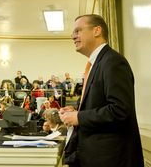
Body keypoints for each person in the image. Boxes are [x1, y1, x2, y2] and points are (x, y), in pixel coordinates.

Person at [59, 14, 144, 167]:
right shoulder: (96, 63)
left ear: (97, 31)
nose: (73, 37)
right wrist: (74, 110)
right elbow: (100, 103)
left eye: (78, 31)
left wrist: (80, 117)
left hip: (112, 159)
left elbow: (120, 110)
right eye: (73, 33)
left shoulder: (113, 61)